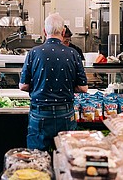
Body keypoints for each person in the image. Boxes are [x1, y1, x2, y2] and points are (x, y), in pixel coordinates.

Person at [19, 13, 88, 151]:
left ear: (44, 32)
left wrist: (40, 85)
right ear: (63, 32)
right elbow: (83, 88)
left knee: (37, 159)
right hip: (66, 113)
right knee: (65, 158)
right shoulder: (73, 53)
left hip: (40, 114)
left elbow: (23, 86)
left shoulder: (33, 52)